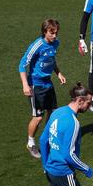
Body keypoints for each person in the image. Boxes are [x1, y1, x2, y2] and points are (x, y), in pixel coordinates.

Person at [19, 19, 66, 158]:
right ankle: (31, 142)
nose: (55, 36)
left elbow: (51, 60)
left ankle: (47, 138)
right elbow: (22, 64)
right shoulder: (37, 45)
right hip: (36, 85)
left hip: (48, 83)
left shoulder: (55, 44)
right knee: (38, 117)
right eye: (52, 33)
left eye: (56, 33)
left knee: (52, 112)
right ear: (44, 31)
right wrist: (25, 85)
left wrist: (58, 73)